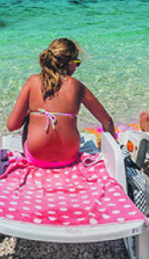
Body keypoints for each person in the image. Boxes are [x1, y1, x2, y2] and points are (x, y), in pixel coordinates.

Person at [6, 38, 114, 167]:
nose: (77, 67)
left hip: (37, 157)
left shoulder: (33, 81)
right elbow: (107, 121)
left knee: (31, 114)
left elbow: (12, 126)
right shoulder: (77, 86)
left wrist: (30, 113)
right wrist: (112, 153)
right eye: (77, 63)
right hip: (69, 157)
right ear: (70, 64)